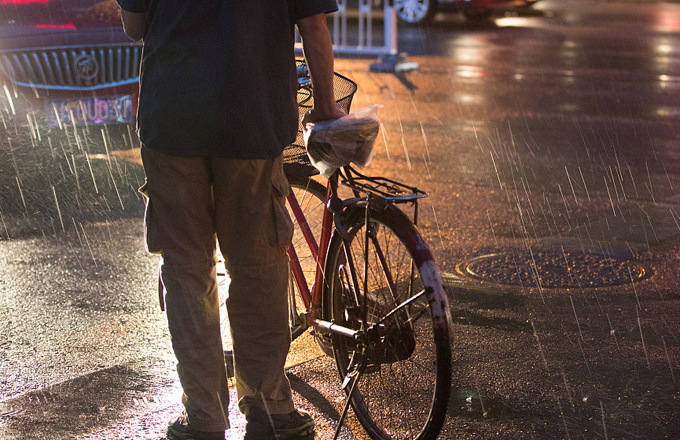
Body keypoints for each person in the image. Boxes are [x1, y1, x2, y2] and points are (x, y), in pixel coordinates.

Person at [115, 1, 346, 439]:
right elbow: (313, 23)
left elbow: (134, 25)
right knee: (257, 269)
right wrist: (325, 107)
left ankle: (203, 417)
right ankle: (269, 411)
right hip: (251, 115)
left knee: (187, 273)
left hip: (173, 117)